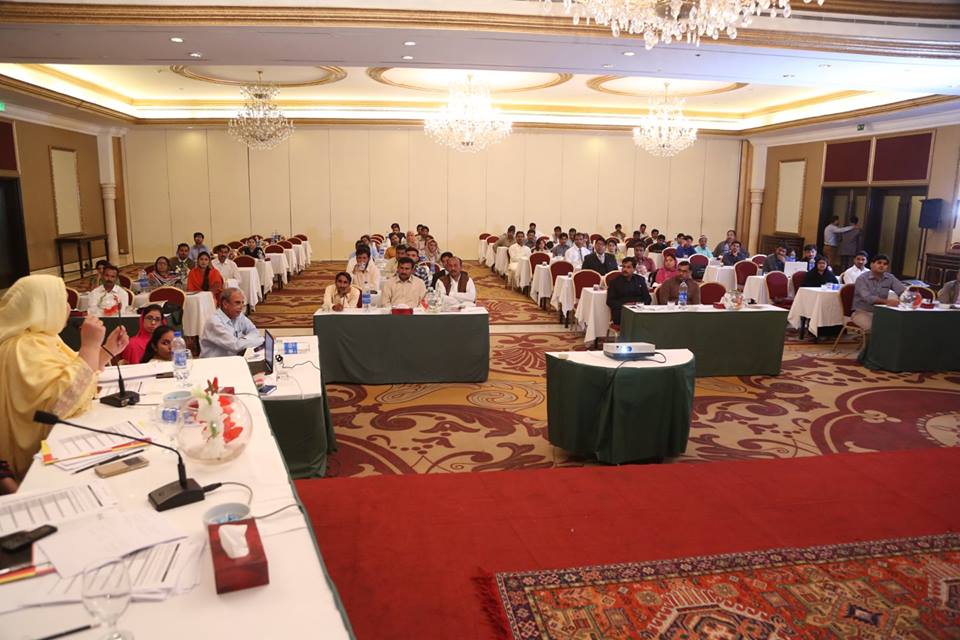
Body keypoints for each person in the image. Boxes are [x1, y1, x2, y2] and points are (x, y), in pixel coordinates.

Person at [0, 275, 128, 479]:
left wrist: (107, 351)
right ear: (42, 307)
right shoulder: (23, 347)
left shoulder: (44, 337)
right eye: (62, 301)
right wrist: (89, 346)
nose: (68, 308)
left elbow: (76, 372)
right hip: (42, 459)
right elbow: (61, 402)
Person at [200, 287, 263, 357]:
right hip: (214, 362)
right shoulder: (214, 322)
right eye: (237, 303)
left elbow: (254, 331)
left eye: (242, 303)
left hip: (231, 358)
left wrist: (244, 339)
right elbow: (235, 346)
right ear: (225, 304)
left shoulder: (238, 315)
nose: (241, 306)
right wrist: (262, 340)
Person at [851, 254, 906, 332]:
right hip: (861, 312)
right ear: (871, 264)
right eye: (879, 263)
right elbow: (868, 298)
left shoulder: (890, 278)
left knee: (897, 325)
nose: (882, 266)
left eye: (885, 264)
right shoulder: (862, 279)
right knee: (875, 328)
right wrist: (887, 302)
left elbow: (902, 291)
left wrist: (908, 296)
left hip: (882, 312)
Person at [605, 257, 651, 324]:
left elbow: (648, 299)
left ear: (634, 269)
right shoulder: (614, 282)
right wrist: (624, 305)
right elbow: (610, 301)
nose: (625, 269)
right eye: (623, 267)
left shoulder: (640, 280)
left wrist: (638, 305)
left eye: (628, 267)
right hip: (622, 311)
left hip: (638, 310)